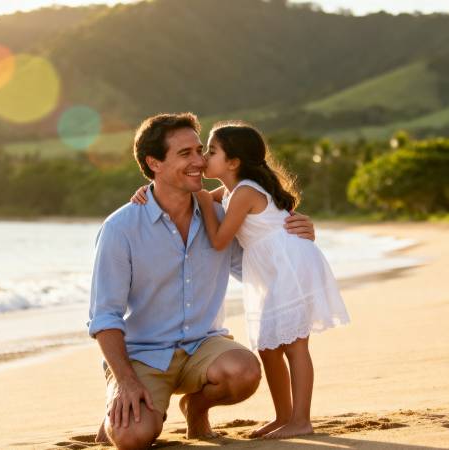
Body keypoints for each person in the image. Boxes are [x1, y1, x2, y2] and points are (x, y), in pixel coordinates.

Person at [89, 112, 316, 449]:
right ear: (154, 163)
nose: (199, 161)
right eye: (186, 154)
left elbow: (258, 265)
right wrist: (124, 381)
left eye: (201, 151)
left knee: (245, 372)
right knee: (132, 438)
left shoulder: (224, 216)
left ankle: (195, 407)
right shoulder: (120, 229)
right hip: (144, 355)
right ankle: (122, 405)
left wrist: (298, 236)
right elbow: (104, 316)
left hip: (204, 346)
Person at [133, 120, 350, 439]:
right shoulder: (235, 189)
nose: (204, 157)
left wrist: (207, 205)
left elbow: (219, 239)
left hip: (288, 266)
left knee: (294, 346)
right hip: (271, 270)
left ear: (233, 162)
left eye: (211, 151)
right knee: (268, 346)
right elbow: (192, 195)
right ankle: (283, 417)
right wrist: (147, 192)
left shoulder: (246, 191)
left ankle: (301, 419)